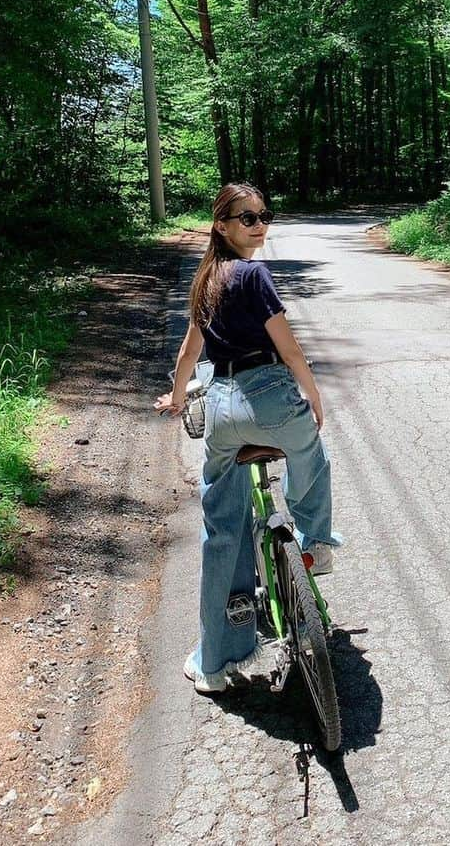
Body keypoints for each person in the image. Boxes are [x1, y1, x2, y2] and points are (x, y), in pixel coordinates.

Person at [154, 182, 336, 694]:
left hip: (222, 408)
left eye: (263, 216)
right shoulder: (255, 274)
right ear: (223, 225)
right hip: (272, 398)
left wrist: (174, 399)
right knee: (310, 454)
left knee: (222, 530)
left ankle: (216, 662)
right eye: (246, 217)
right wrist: (313, 396)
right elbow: (290, 349)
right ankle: (314, 543)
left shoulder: (205, 281)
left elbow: (189, 357)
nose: (258, 225)